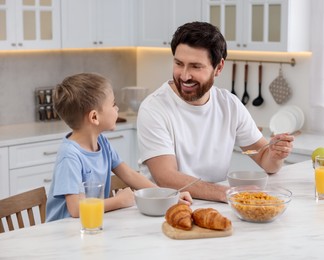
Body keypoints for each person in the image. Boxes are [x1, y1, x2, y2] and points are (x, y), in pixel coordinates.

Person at [137, 21, 295, 203]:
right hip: (167, 210)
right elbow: (166, 177)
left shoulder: (229, 105)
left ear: (219, 67)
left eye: (196, 66)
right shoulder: (154, 108)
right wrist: (229, 193)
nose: (185, 76)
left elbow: (265, 160)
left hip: (216, 206)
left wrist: (276, 155)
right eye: (179, 63)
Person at [46, 73, 192, 222]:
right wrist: (119, 201)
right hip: (65, 231)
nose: (117, 109)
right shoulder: (69, 156)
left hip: (90, 225)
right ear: (94, 117)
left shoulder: (101, 142)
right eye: (113, 104)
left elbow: (129, 175)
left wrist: (168, 196)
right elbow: (76, 209)